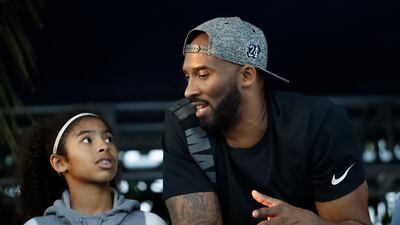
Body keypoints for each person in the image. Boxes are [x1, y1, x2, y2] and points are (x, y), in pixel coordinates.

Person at [161, 16, 372, 225]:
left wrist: (310, 223)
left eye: (203, 74)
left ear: (247, 76)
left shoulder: (317, 123)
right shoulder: (185, 124)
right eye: (188, 76)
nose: (189, 91)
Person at [17, 112, 166, 225]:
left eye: (108, 139)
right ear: (59, 163)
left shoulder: (149, 222)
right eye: (87, 140)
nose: (104, 146)